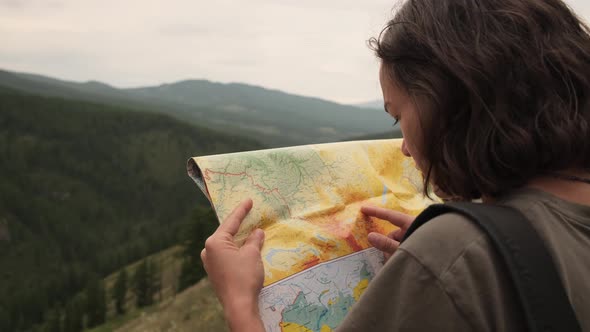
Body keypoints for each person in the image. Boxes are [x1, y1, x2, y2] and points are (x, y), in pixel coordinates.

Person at [200, 0, 590, 330]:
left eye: (397, 115)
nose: (404, 147)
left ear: (449, 101)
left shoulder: (455, 254)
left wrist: (240, 305)